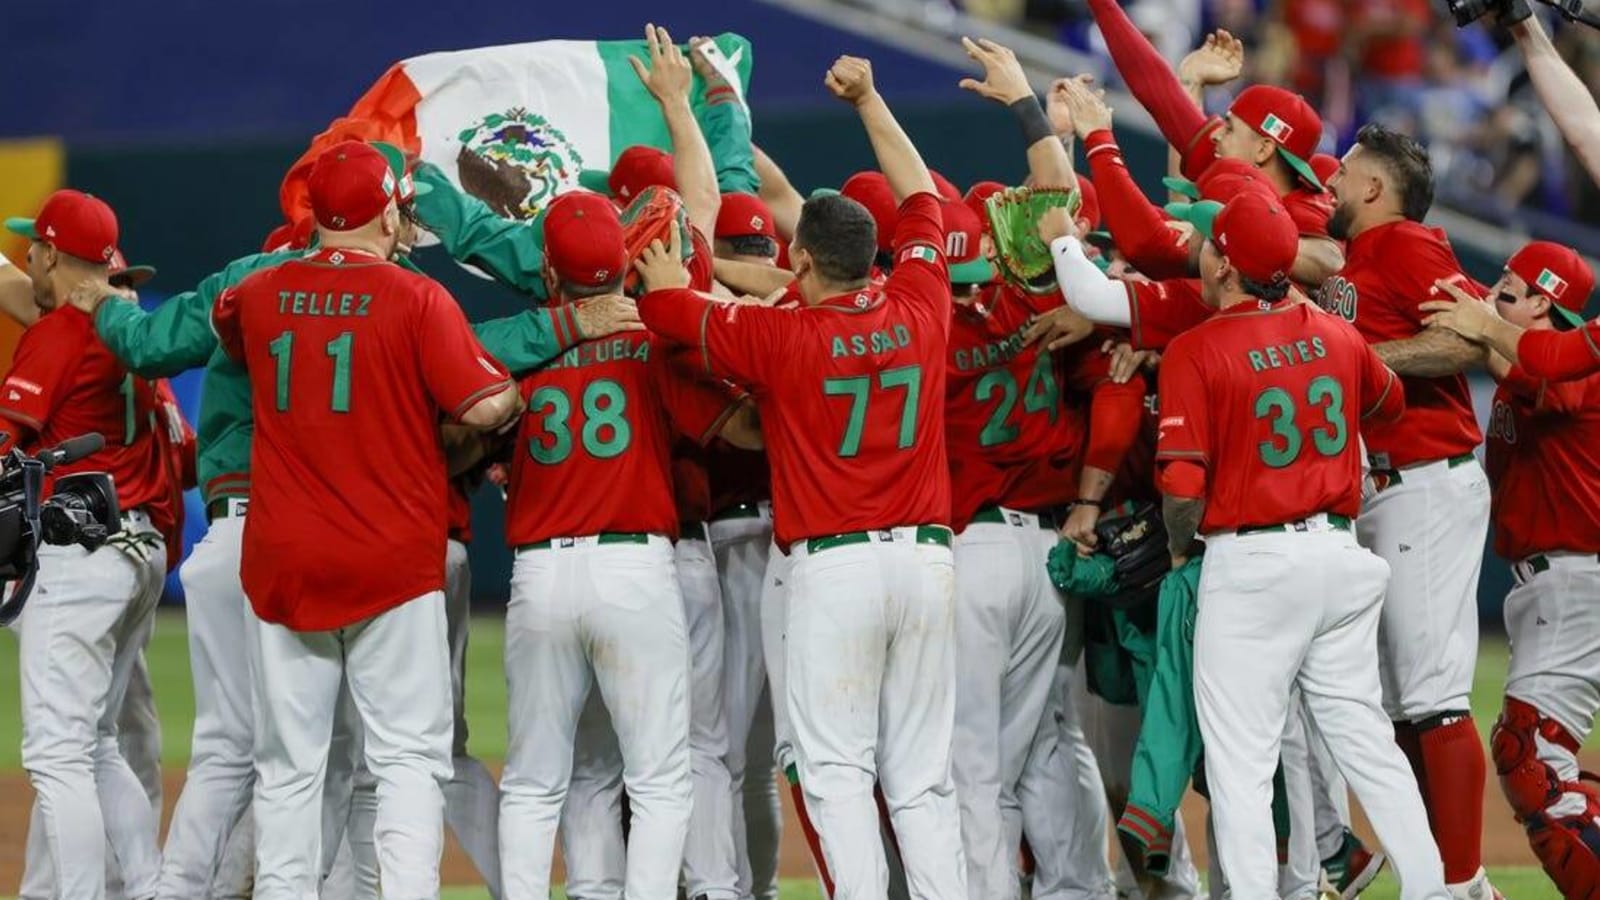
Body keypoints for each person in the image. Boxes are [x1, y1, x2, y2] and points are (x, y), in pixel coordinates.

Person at [636, 54, 967, 900]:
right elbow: (921, 194)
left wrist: (670, 269)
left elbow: (671, 312)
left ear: (803, 261)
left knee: (836, 775)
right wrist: (870, 99)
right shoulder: (923, 301)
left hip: (836, 570)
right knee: (925, 779)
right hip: (928, 561)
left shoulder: (785, 340)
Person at [210, 140, 522, 900]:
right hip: (390, 557)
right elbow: (485, 404)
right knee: (408, 760)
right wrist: (500, 403)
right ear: (390, 210)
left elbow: (230, 330)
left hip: (285, 557)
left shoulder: (257, 293)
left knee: (288, 765)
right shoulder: (415, 298)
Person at [1146, 188, 1450, 900]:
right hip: (1340, 559)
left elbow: (1183, 488)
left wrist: (1181, 549)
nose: (1205, 253)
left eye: (1212, 245)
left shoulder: (1196, 347)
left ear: (1224, 265)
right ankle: (1436, 889)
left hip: (1254, 563)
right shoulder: (1335, 333)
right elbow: (1388, 403)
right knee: (1366, 742)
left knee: (1241, 762)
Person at [496, 188, 760, 900]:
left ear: (549, 270)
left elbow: (458, 373)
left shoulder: (522, 340)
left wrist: (557, 326)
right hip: (636, 569)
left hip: (540, 576)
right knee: (661, 777)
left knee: (535, 778)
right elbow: (741, 428)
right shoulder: (654, 337)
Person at [1320, 123, 1502, 899]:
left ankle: (1463, 885)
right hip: (1388, 488)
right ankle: (1437, 874)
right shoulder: (1360, 256)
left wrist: (1358, 359)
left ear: (1374, 189)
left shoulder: (1410, 244)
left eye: (1346, 172)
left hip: (1426, 481)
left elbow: (1466, 343)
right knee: (1398, 704)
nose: (1331, 179)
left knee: (1431, 697)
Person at [1, 189, 171, 900]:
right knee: (96, 744)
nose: (26, 260)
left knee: (57, 755)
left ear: (49, 252)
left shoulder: (57, 336)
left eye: (32, 247)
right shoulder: (130, 331)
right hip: (136, 548)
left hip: (80, 556)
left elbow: (7, 445)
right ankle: (150, 888)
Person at [1472, 241, 1600, 899]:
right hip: (1556, 582)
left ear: (1544, 303)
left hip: (1577, 578)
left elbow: (1530, 370)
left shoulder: (1575, 368)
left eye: (1508, 288)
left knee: (1531, 757)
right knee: (1533, 754)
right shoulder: (1531, 361)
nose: (1495, 295)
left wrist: (1474, 325)